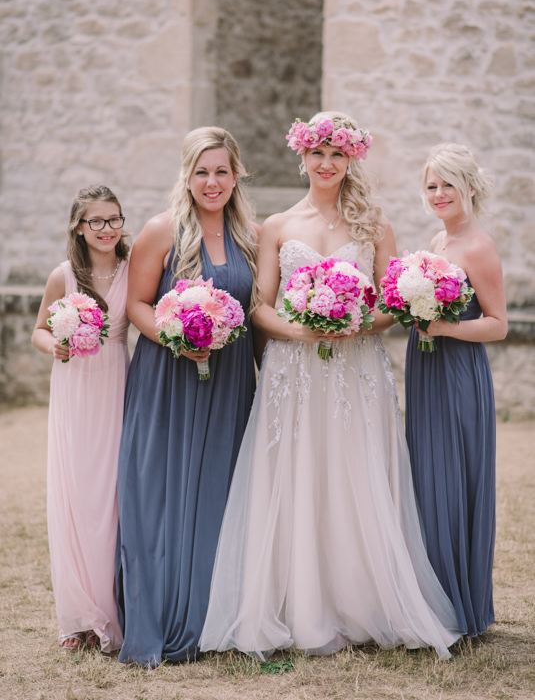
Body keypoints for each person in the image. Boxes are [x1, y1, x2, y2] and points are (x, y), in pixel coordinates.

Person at [199, 112, 461, 661]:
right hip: (293, 371)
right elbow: (259, 307)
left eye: (336, 154)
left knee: (351, 471)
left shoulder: (374, 225)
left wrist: (354, 323)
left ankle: (358, 601)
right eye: (317, 153)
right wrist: (302, 329)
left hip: (355, 369)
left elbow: (392, 303)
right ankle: (302, 604)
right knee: (300, 472)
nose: (326, 163)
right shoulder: (277, 225)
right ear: (303, 157)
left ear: (350, 159)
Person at [116, 126, 260, 667]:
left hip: (230, 382)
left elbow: (257, 313)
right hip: (168, 378)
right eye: (202, 171)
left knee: (222, 491)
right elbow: (136, 305)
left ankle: (214, 616)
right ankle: (165, 611)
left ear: (236, 175)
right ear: (187, 175)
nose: (212, 181)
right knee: (163, 489)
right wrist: (177, 338)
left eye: (221, 170)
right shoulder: (162, 231)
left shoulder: (251, 235)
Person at [405, 142, 507, 637]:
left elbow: (498, 324)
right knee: (426, 476)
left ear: (469, 187)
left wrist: (445, 328)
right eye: (432, 185)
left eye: (448, 184)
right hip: (425, 370)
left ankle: (459, 605)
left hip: (458, 371)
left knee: (454, 477)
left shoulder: (478, 246)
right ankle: (432, 600)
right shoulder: (437, 240)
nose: (439, 193)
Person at [31, 185, 130, 651]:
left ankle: (112, 608)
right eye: (97, 221)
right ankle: (79, 616)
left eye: (114, 219)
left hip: (119, 384)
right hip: (75, 386)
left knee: (112, 497)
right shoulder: (64, 275)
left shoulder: (134, 267)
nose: (107, 229)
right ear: (79, 227)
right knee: (77, 495)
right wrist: (55, 345)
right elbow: (39, 330)